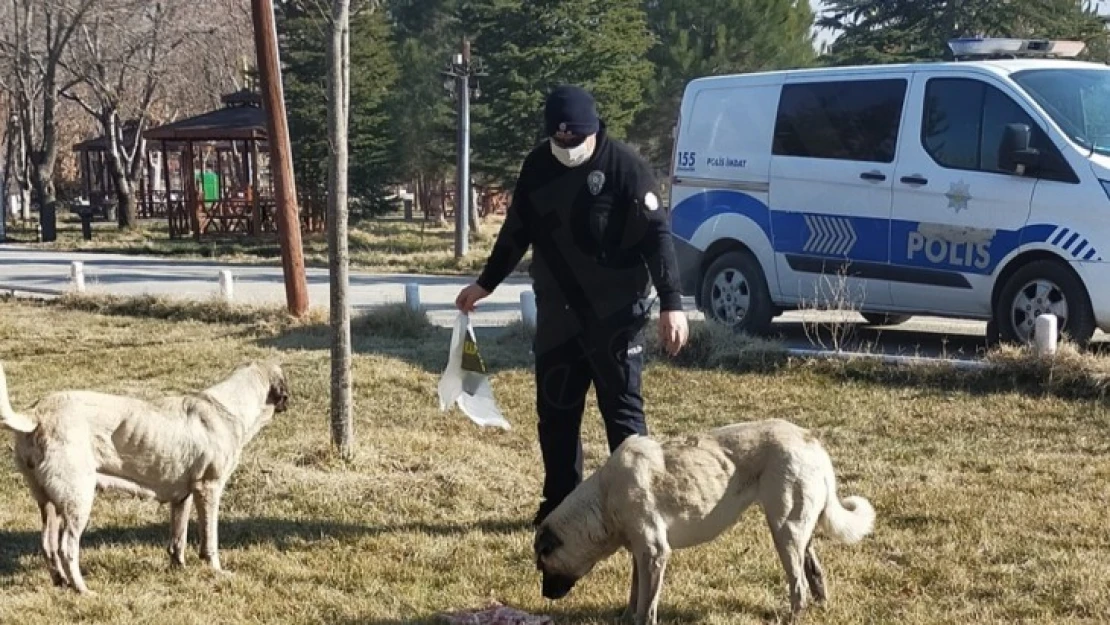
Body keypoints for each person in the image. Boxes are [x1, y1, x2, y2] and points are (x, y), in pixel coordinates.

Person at [455, 84, 689, 525]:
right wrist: (486, 283)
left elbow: (657, 237)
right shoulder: (538, 166)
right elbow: (515, 233)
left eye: (574, 140)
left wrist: (671, 304)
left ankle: (638, 508)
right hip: (559, 318)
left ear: (594, 131)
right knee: (556, 411)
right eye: (558, 140)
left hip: (616, 317)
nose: (566, 147)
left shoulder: (624, 166)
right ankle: (560, 505)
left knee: (622, 415)